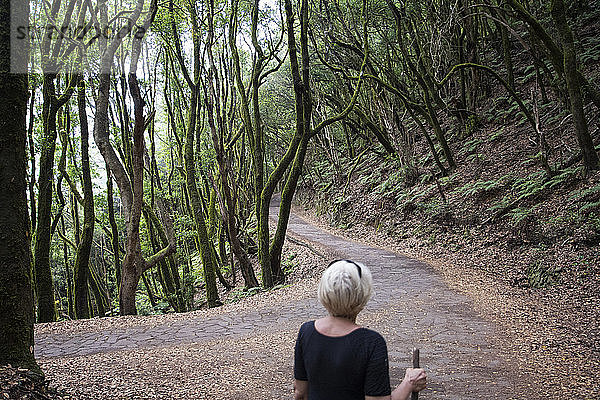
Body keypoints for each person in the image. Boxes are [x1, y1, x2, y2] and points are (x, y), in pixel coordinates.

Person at [293, 259, 427, 400]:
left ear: (324, 291)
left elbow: (300, 393)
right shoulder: (371, 342)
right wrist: (409, 382)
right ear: (363, 294)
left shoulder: (306, 332)